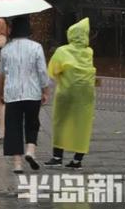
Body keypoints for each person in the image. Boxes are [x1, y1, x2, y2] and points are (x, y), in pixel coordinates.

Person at [0, 15, 51, 174]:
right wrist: (45, 90)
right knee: (32, 123)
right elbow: (42, 71)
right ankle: (30, 150)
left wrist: (2, 90)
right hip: (32, 92)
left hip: (12, 94)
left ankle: (17, 164)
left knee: (13, 126)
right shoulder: (36, 47)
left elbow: (2, 72)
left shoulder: (6, 49)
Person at [45, 18, 96, 170]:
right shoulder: (89, 52)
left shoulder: (62, 51)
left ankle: (57, 157)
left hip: (66, 93)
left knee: (61, 122)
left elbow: (52, 71)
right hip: (86, 94)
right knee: (82, 125)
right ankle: (77, 160)